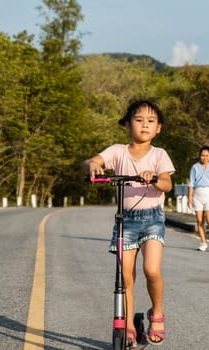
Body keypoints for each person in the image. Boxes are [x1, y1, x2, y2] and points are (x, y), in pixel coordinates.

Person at [84, 99, 175, 347]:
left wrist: (154, 178)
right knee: (125, 278)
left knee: (151, 270)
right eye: (138, 120)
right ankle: (129, 326)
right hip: (126, 221)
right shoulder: (117, 151)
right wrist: (94, 165)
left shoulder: (159, 155)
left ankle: (157, 313)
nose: (144, 125)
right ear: (127, 125)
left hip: (152, 219)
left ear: (158, 128)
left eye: (151, 121)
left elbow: (167, 183)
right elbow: (93, 161)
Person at [188, 145, 209, 252]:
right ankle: (203, 243)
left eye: (207, 155)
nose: (204, 158)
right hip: (197, 194)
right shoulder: (195, 167)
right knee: (199, 220)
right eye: (202, 155)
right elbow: (191, 184)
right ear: (200, 156)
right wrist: (189, 197)